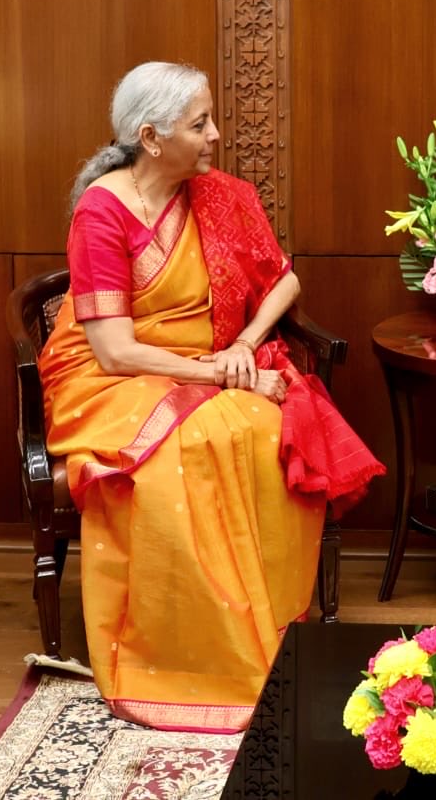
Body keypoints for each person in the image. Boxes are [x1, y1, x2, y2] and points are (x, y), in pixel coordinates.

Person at [39, 61, 385, 732]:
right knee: (187, 449)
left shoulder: (220, 195)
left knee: (266, 433)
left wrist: (245, 344)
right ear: (151, 137)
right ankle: (183, 654)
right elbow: (114, 352)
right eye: (200, 124)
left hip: (204, 364)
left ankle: (266, 625)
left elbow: (284, 281)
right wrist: (223, 375)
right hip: (111, 380)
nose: (216, 135)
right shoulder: (101, 212)